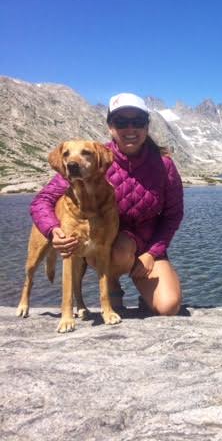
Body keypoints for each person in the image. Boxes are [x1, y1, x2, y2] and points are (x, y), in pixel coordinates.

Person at [30, 93, 184, 315]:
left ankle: (145, 295)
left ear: (147, 126)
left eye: (137, 121)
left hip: (148, 245)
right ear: (111, 127)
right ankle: (112, 283)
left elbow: (173, 216)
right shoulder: (92, 157)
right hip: (107, 244)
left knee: (168, 306)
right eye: (121, 122)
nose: (130, 128)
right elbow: (42, 201)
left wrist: (152, 252)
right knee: (120, 249)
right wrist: (53, 230)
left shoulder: (164, 165)